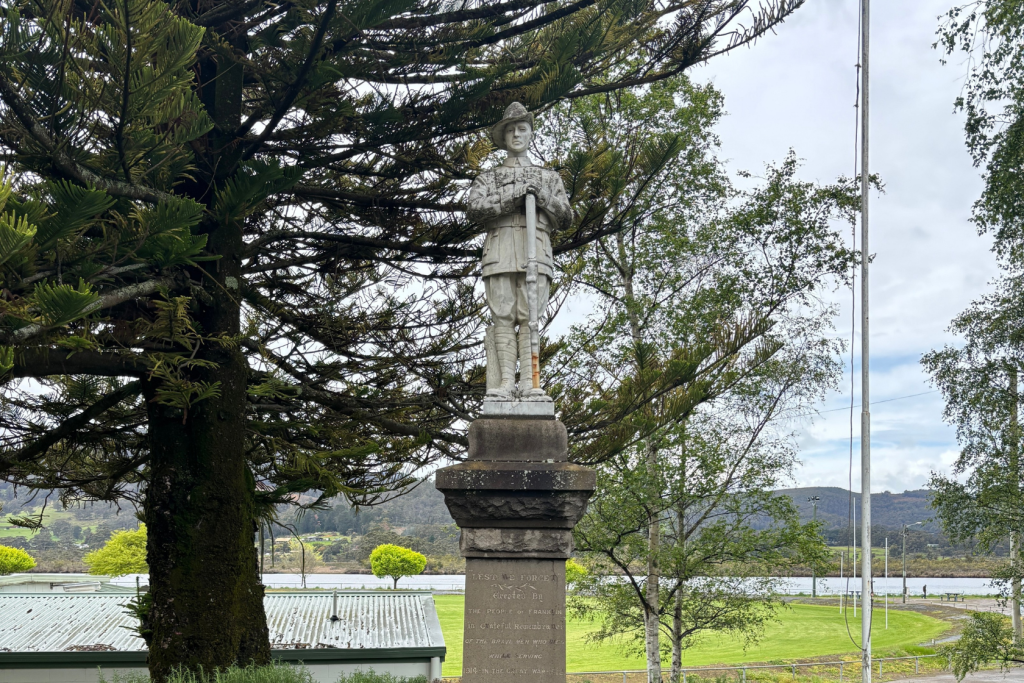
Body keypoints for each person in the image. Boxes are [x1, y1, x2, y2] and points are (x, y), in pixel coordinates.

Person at [466, 102, 572, 399]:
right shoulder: (488, 178)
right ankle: (504, 384)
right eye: (510, 129)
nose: (516, 134)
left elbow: (565, 217)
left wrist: (542, 198)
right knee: (502, 316)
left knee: (531, 318)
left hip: (536, 251)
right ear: (503, 136)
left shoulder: (548, 178)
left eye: (522, 129)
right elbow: (474, 210)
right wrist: (514, 195)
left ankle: (530, 382)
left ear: (531, 134)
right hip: (500, 252)